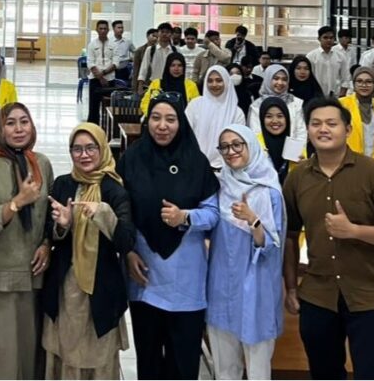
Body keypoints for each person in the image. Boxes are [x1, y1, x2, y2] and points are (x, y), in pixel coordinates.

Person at [283, 97, 374, 380]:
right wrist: (291, 288)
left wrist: (355, 231)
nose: (323, 129)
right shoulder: (297, 178)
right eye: (316, 123)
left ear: (348, 129)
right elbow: (290, 237)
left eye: (331, 123)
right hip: (318, 296)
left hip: (372, 296)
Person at [118, 96, 219, 380]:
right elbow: (120, 213)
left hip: (185, 279)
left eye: (170, 119)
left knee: (183, 361)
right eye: (156, 118)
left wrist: (185, 217)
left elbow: (213, 214)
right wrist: (127, 252)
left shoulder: (196, 162)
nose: (162, 126)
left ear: (181, 123)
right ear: (147, 121)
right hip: (145, 276)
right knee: (149, 359)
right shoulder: (132, 159)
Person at [41, 123, 133, 379]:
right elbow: (48, 231)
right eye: (77, 149)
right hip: (66, 285)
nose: (84, 155)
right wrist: (63, 225)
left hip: (101, 287)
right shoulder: (62, 184)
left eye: (91, 148)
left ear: (102, 149)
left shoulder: (114, 189)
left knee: (97, 355)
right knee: (66, 351)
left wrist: (104, 214)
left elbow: (126, 241)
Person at [0, 103, 54, 379]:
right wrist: (17, 202)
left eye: (24, 122)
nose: (18, 129)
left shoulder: (41, 164)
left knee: (30, 350)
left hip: (33, 272)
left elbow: (49, 216)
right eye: (10, 123)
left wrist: (46, 245)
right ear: (0, 129)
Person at [207, 124, 285, 380]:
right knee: (224, 367)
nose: (231, 151)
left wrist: (253, 220)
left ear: (250, 145)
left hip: (256, 288)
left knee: (258, 368)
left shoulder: (269, 191)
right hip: (221, 287)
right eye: (224, 147)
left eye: (237, 144)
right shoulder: (219, 187)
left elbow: (272, 247)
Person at [186, 66, 246, 170]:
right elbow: (185, 134)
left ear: (226, 82)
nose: (214, 84)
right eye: (210, 81)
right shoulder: (195, 105)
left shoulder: (236, 112)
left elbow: (238, 143)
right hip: (195, 165)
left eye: (219, 80)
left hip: (226, 168)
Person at [249, 65, 306, 142]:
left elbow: (301, 133)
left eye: (284, 79)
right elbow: (255, 134)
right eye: (276, 78)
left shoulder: (295, 103)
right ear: (268, 79)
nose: (280, 82)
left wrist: (294, 150)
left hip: (293, 148)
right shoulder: (257, 105)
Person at [87, 19, 118, 124]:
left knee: (109, 108)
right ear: (96, 30)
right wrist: (100, 78)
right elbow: (90, 63)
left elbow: (116, 63)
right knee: (93, 108)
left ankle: (108, 128)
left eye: (105, 29)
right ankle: (93, 128)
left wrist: (103, 74)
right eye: (101, 29)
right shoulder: (92, 44)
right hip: (95, 80)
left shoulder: (114, 45)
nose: (103, 31)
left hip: (110, 80)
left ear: (108, 30)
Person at [307, 26, 350, 98]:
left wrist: (342, 95)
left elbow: (345, 78)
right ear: (319, 39)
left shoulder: (341, 56)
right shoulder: (311, 56)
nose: (329, 40)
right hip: (316, 96)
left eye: (331, 38)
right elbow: (308, 79)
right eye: (325, 37)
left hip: (336, 96)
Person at [137, 23, 176, 94]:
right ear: (158, 33)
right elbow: (143, 68)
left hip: (172, 85)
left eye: (167, 32)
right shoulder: (150, 50)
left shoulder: (175, 50)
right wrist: (140, 87)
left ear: (171, 34)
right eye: (162, 32)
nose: (164, 34)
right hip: (154, 85)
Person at [131, 28, 158, 92]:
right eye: (153, 36)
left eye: (157, 37)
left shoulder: (158, 50)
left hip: (155, 81)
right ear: (147, 36)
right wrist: (135, 87)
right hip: (143, 82)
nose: (155, 38)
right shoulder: (139, 50)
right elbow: (136, 70)